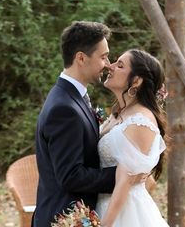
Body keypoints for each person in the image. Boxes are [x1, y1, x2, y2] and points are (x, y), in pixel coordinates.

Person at [33, 21, 122, 227]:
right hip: (64, 219)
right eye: (103, 57)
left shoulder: (72, 96)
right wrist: (122, 175)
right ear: (81, 58)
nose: (108, 64)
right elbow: (71, 176)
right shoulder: (63, 109)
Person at [96, 49, 169, 227]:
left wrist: (106, 224)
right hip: (102, 203)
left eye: (120, 65)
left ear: (136, 81)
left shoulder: (141, 121)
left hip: (124, 213)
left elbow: (125, 180)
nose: (110, 67)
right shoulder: (120, 113)